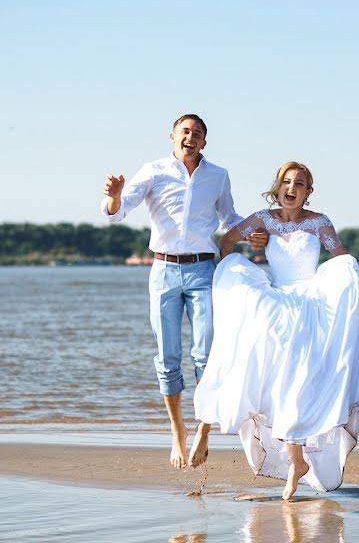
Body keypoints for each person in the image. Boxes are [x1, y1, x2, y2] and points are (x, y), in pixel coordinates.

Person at [192, 161, 359, 500]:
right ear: (278, 187)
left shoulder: (319, 222)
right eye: (287, 182)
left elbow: (340, 257)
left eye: (301, 183)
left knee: (299, 380)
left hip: (310, 304)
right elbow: (226, 244)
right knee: (273, 376)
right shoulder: (263, 219)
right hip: (278, 301)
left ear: (308, 192)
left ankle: (298, 460)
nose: (292, 188)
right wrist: (251, 247)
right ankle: (293, 459)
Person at [102, 113, 267, 470]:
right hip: (162, 271)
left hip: (203, 270)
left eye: (197, 134)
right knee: (168, 357)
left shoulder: (218, 176)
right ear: (172, 137)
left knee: (206, 355)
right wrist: (115, 197)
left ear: (204, 142)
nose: (190, 137)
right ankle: (177, 433)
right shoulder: (153, 171)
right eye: (185, 132)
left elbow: (229, 218)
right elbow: (117, 212)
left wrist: (252, 231)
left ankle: (204, 430)